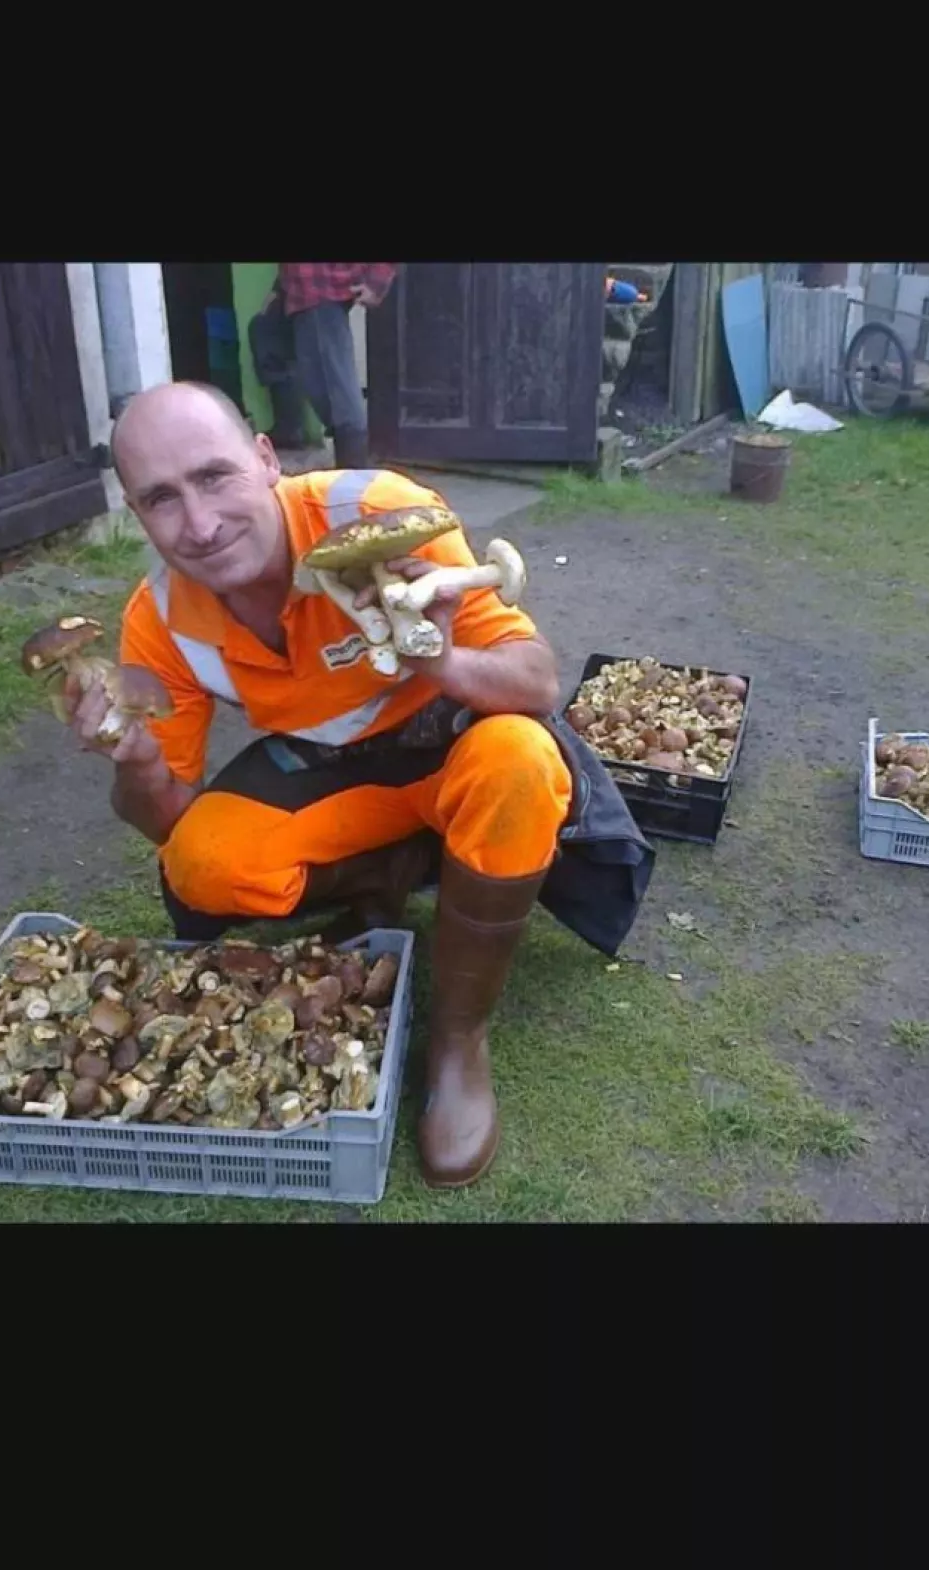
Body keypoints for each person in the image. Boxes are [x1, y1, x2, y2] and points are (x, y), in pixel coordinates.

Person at [62, 381, 653, 1190]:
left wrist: (438, 659)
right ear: (135, 512)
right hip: (335, 770)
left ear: (265, 458)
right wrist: (135, 764)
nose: (198, 524)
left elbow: (537, 680)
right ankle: (388, 875)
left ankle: (458, 1039)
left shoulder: (378, 513)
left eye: (214, 476)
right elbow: (166, 818)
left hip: (452, 742)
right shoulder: (159, 617)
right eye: (162, 498)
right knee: (200, 863)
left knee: (520, 759)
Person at [251, 262, 398, 469]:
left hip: (322, 287)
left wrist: (376, 283)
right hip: (297, 284)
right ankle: (290, 428)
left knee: (334, 386)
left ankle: (353, 469)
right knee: (265, 330)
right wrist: (280, 286)